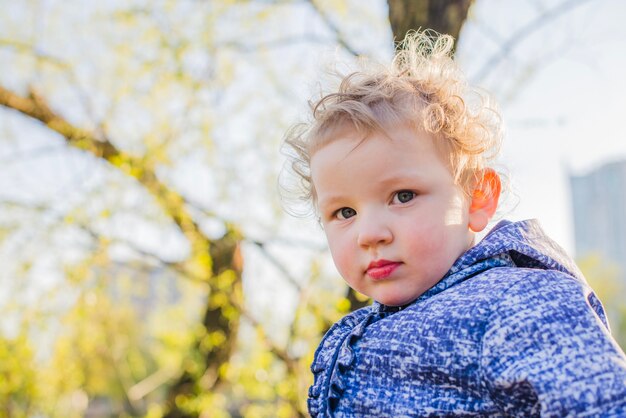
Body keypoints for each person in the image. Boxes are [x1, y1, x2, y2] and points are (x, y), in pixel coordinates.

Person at [281, 30, 626, 417]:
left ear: (477, 197)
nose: (369, 234)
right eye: (345, 213)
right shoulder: (358, 329)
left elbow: (603, 403)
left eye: (403, 196)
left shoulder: (519, 300)